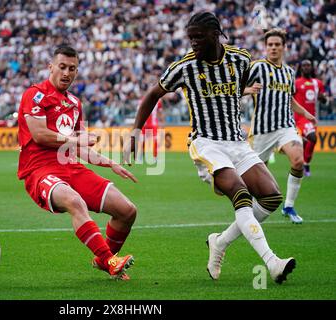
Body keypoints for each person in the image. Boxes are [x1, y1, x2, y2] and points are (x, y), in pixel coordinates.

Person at [124, 12, 295, 284]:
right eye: (190, 37)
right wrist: (134, 132)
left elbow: (234, 89)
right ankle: (272, 262)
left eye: (199, 37)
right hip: (205, 143)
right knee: (241, 194)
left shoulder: (241, 59)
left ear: (215, 35)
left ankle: (220, 241)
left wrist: (244, 93)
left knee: (272, 197)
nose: (193, 43)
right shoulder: (184, 67)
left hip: (237, 142)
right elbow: (151, 96)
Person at [18, 45, 137, 280]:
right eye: (62, 67)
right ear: (50, 67)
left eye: (72, 68)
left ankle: (105, 260)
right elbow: (40, 134)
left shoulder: (74, 103)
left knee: (127, 211)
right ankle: (111, 260)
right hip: (39, 171)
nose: (66, 73)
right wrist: (75, 138)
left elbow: (79, 147)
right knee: (74, 201)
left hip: (71, 168)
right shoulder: (35, 94)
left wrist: (109, 163)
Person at [244, 29, 317, 224]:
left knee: (298, 161)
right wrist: (248, 90)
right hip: (261, 131)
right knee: (255, 178)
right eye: (270, 45)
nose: (273, 48)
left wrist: (304, 113)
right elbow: (234, 88)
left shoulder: (289, 72)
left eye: (277, 45)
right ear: (265, 47)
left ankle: (289, 206)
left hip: (285, 126)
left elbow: (289, 99)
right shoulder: (256, 68)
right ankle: (248, 212)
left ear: (284, 47)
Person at [293, 60, 327, 177]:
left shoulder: (318, 83)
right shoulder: (296, 83)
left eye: (308, 65)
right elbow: (290, 100)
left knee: (311, 140)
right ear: (301, 68)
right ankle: (304, 164)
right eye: (304, 65)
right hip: (299, 118)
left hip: (312, 119)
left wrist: (323, 98)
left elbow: (324, 101)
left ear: (312, 67)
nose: (306, 67)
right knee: (311, 138)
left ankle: (306, 163)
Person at [140, 98, 164, 162]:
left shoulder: (158, 101)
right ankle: (141, 155)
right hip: (144, 123)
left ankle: (155, 156)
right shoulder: (143, 100)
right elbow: (140, 111)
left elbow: (160, 112)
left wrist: (162, 121)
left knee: (156, 139)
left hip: (153, 124)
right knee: (142, 140)